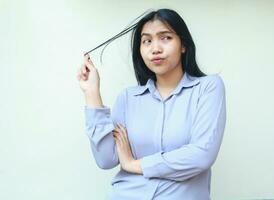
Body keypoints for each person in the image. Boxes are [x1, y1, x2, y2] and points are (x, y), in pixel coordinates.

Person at [77, 8, 226, 200]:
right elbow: (106, 159)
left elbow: (201, 155)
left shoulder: (208, 88)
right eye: (147, 41)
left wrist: (133, 165)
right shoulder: (128, 98)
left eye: (165, 38)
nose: (155, 48)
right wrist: (92, 94)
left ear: (183, 45)